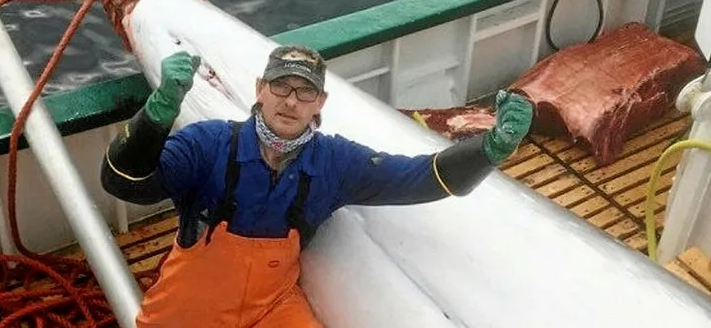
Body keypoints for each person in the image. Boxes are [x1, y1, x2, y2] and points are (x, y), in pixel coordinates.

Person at [101, 45, 534, 328]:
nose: (290, 101)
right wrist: (156, 115)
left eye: (305, 93)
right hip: (190, 307)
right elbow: (125, 183)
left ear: (320, 104)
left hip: (272, 308)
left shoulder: (335, 162)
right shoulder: (209, 143)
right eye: (281, 86)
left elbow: (424, 178)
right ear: (260, 90)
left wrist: (491, 149)